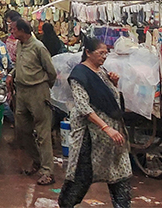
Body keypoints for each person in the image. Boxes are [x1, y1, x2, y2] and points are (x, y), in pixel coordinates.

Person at [58, 36, 131, 208]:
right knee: (82, 175)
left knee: (121, 174)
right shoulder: (79, 75)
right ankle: (66, 204)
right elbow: (84, 107)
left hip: (112, 136)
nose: (104, 56)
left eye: (106, 53)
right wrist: (106, 128)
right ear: (88, 53)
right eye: (101, 53)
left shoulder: (103, 72)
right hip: (90, 136)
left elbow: (112, 98)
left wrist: (114, 83)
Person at [11, 18, 58, 186]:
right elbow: (21, 65)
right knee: (22, 129)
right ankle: (36, 160)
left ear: (23, 30)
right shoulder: (20, 45)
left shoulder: (38, 47)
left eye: (14, 29)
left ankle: (48, 171)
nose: (12, 32)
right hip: (22, 91)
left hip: (38, 91)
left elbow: (51, 71)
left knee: (43, 132)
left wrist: (44, 87)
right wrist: (12, 74)